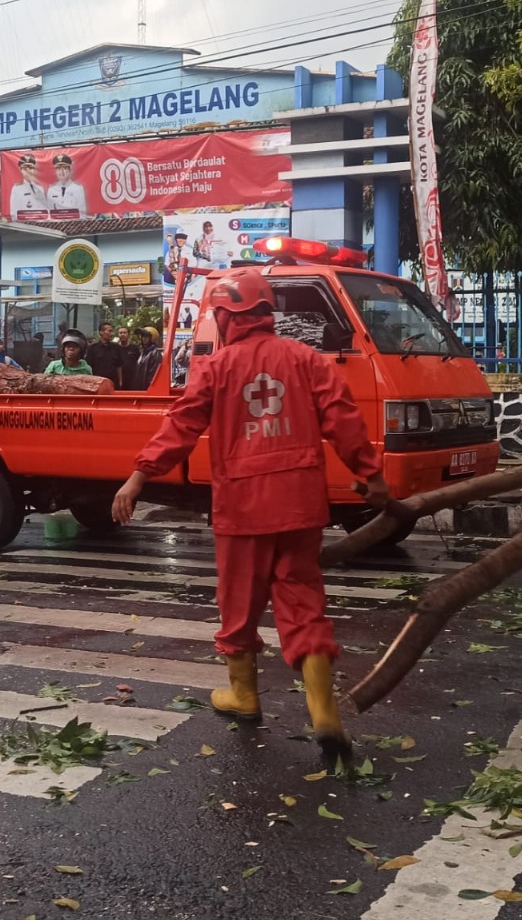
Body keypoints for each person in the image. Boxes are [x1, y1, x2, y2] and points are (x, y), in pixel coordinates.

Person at [112, 269, 390, 761]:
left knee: (238, 604)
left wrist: (140, 474)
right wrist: (371, 474)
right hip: (301, 503)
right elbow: (343, 417)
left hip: (242, 508)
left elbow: (181, 425)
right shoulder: (307, 360)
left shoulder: (215, 369)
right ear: (266, 312)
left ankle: (245, 696)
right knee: (303, 602)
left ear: (224, 315)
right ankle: (324, 713)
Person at [46, 152, 88, 217]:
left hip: (74, 223)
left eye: (64, 168)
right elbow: (49, 213)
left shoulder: (78, 188)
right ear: (55, 171)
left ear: (69, 170)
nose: (62, 172)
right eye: (58, 169)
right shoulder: (51, 189)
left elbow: (82, 213)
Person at [8, 153, 48, 217]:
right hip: (25, 222)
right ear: (21, 170)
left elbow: (45, 207)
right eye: (25, 168)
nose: (28, 170)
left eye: (30, 168)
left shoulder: (40, 187)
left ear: (34, 170)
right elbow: (14, 211)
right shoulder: (17, 188)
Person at [85, 322, 124, 387]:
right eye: (109, 331)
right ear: (101, 332)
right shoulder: (92, 348)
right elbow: (88, 367)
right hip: (97, 384)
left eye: (112, 331)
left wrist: (120, 381)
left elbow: (119, 366)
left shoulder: (116, 347)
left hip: (113, 383)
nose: (112, 334)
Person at [134, 325, 163, 390]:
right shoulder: (143, 352)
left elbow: (153, 376)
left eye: (146, 336)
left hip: (148, 390)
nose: (143, 338)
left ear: (152, 338)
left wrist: (150, 389)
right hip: (140, 389)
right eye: (142, 336)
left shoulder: (155, 353)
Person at [117, 325, 140, 390]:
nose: (122, 335)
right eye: (120, 333)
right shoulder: (115, 348)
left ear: (128, 335)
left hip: (132, 380)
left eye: (124, 333)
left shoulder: (134, 348)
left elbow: (139, 363)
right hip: (119, 381)